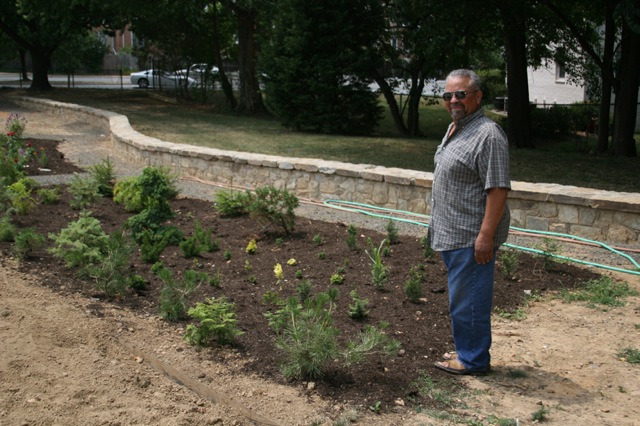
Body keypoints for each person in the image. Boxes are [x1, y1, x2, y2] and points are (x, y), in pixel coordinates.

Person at [428, 69, 511, 375]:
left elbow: (498, 188)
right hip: (452, 231)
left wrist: (485, 236)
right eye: (448, 95)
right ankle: (468, 350)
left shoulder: (488, 134)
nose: (454, 100)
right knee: (463, 299)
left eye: (461, 94)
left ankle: (473, 360)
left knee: (469, 302)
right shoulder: (456, 128)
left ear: (477, 96)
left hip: (470, 235)